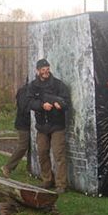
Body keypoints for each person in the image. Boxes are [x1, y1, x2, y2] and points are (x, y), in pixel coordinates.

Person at [27, 59, 70, 194]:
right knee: (42, 153)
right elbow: (29, 102)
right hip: (42, 126)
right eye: (43, 69)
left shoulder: (58, 85)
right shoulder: (33, 86)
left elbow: (66, 102)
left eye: (47, 69)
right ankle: (47, 180)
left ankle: (61, 184)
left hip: (57, 125)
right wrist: (42, 106)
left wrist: (60, 105)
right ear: (37, 71)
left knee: (58, 155)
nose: (46, 72)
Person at [1, 79, 31, 178]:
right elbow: (23, 107)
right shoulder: (24, 91)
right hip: (24, 123)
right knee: (23, 146)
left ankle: (30, 168)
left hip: (29, 123)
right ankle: (7, 167)